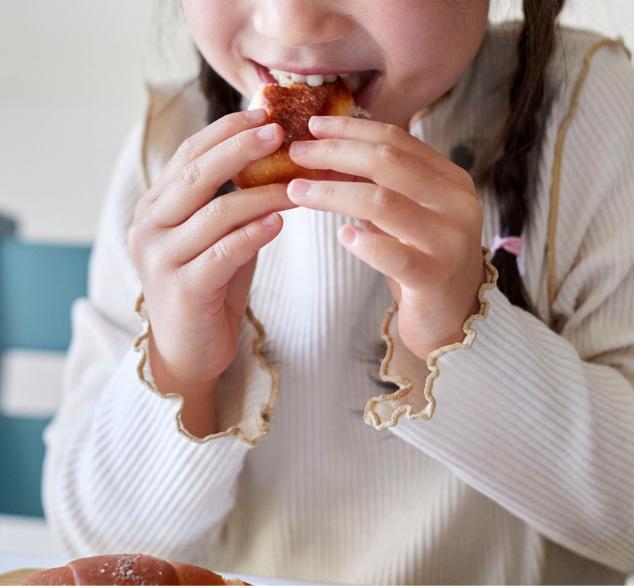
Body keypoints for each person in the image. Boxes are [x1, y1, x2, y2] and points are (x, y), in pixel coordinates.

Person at [41, 0, 634, 583]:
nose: (289, 19)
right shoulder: (169, 148)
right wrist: (181, 366)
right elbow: (97, 546)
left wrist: (460, 335)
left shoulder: (590, 114)